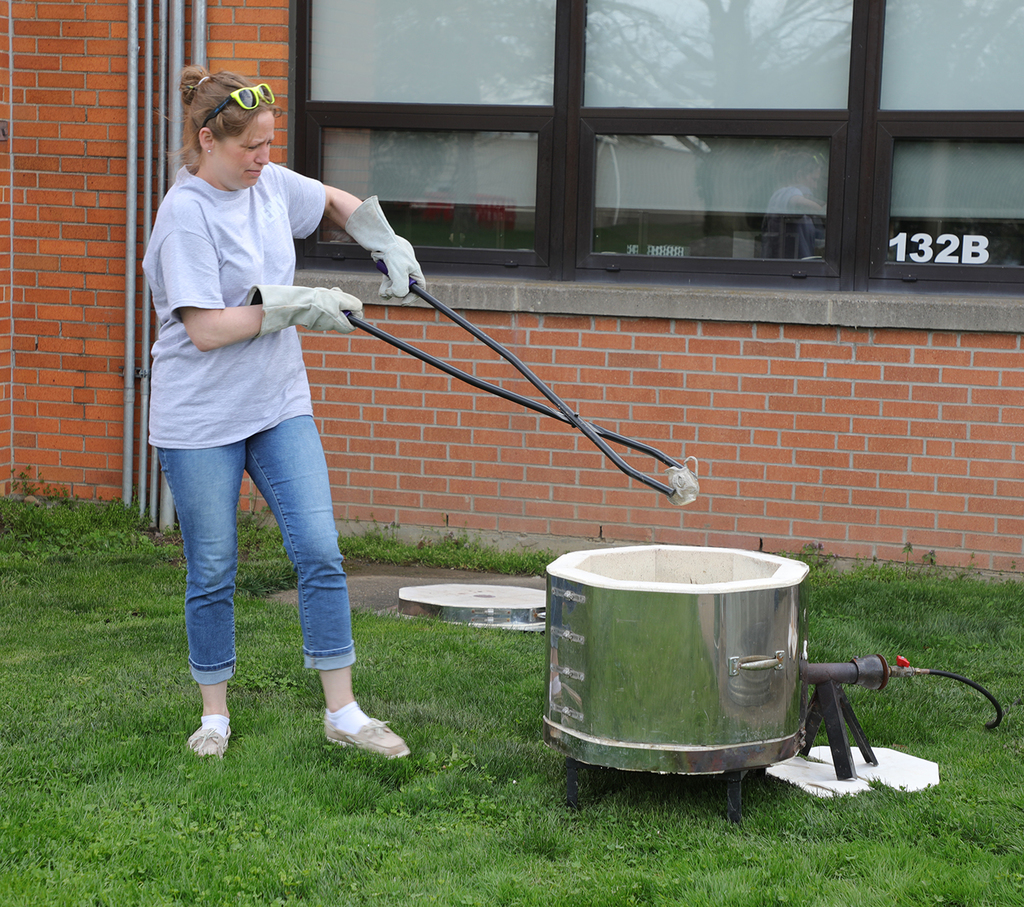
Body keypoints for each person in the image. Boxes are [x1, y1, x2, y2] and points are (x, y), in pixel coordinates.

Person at [142, 66, 424, 760]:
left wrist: (380, 235)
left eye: (271, 144)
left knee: (321, 550)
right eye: (252, 148)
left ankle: (345, 712)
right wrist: (295, 305)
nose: (266, 160)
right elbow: (206, 328)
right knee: (212, 566)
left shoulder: (263, 183)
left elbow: (326, 198)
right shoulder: (185, 216)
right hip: (200, 417)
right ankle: (214, 715)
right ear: (208, 140)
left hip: (276, 403)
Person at [761, 152, 826, 259]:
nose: (815, 186)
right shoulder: (784, 193)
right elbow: (796, 201)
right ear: (799, 176)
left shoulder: (803, 213)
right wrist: (822, 211)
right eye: (814, 180)